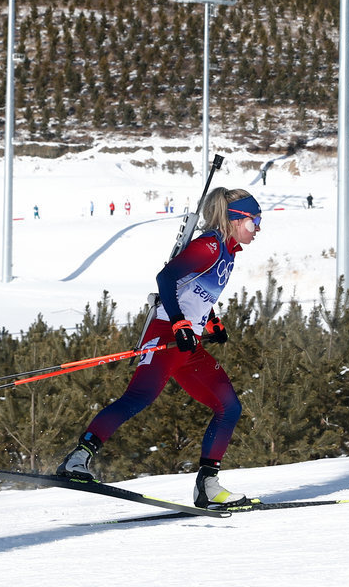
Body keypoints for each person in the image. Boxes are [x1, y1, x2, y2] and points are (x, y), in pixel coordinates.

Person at [56, 188, 262, 509]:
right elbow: (166, 278)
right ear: (234, 220)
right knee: (137, 399)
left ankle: (208, 486)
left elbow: (194, 291)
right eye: (253, 221)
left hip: (188, 344)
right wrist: (180, 322)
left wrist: (211, 322)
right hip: (167, 333)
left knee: (229, 407)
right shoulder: (209, 245)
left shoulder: (228, 250)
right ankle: (76, 460)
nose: (258, 228)